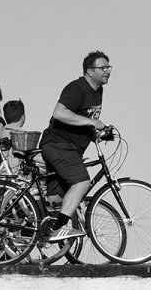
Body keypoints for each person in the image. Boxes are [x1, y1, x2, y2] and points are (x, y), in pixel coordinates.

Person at [39, 50, 112, 241]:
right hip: (58, 144)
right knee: (82, 182)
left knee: (56, 200)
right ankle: (58, 229)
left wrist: (98, 132)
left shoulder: (98, 91)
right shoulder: (77, 88)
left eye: (109, 67)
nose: (107, 71)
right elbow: (59, 113)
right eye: (102, 67)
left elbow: (86, 119)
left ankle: (36, 229)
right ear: (89, 71)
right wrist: (90, 123)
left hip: (70, 148)